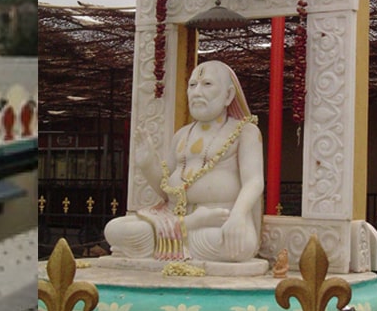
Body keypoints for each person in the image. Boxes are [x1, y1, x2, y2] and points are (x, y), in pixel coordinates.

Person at [104, 60, 264, 262]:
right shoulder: (181, 135)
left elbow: (254, 181)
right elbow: (166, 189)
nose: (197, 92)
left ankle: (168, 239)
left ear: (228, 95)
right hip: (173, 217)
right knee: (115, 229)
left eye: (207, 84)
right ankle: (189, 224)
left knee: (237, 246)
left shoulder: (245, 132)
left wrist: (239, 216)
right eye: (192, 85)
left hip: (220, 221)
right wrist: (147, 164)